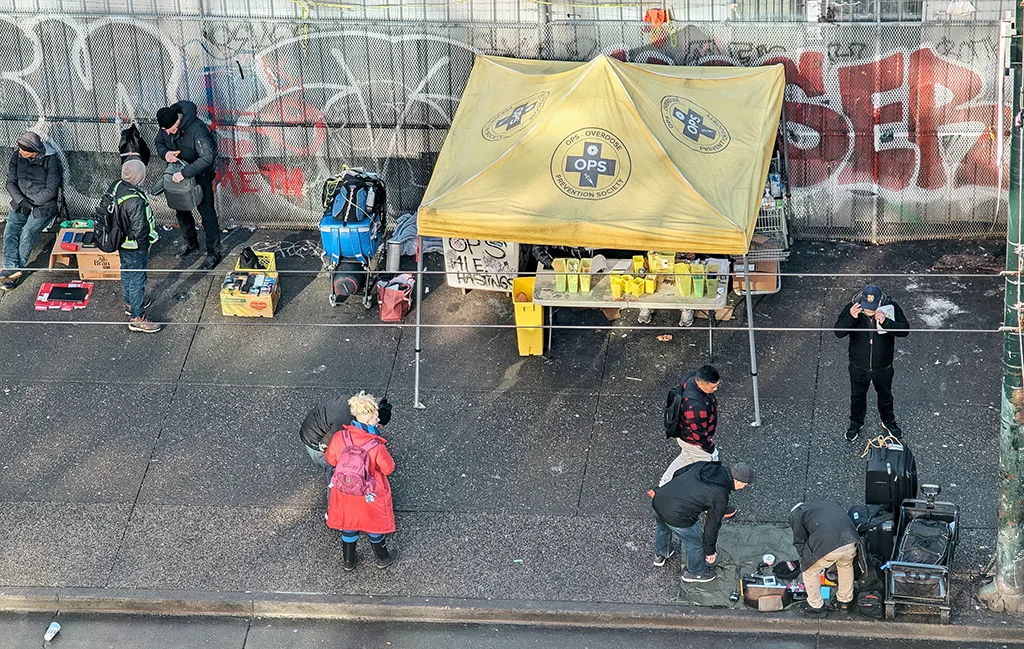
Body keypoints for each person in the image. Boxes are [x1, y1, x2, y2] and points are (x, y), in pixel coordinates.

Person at [325, 391, 397, 571]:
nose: (378, 416)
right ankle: (382, 558)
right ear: (371, 416)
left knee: (349, 524)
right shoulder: (375, 445)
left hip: (345, 490)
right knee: (373, 524)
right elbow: (388, 468)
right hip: (369, 493)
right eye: (375, 414)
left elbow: (331, 459)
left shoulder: (339, 437)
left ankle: (349, 561)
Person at [651, 461, 754, 581]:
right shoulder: (720, 495)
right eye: (745, 485)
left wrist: (678, 492)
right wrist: (710, 551)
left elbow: (678, 472)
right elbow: (712, 525)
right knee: (696, 542)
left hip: (659, 498)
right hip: (676, 515)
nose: (744, 488)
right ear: (738, 481)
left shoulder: (706, 466)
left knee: (663, 527)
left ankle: (661, 554)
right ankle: (696, 573)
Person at [834, 284, 910, 441]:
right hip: (858, 366)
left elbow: (905, 330)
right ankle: (856, 423)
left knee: (885, 396)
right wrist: (851, 317)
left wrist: (887, 322)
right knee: (857, 397)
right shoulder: (852, 308)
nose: (869, 311)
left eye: (872, 308)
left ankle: (888, 422)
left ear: (880, 303)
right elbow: (838, 332)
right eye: (866, 307)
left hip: (883, 366)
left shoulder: (892, 308)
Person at [155, 101, 221, 270]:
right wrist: (166, 154)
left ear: (177, 122)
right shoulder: (166, 126)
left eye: (169, 130)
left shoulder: (197, 129)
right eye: (165, 131)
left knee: (207, 215)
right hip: (178, 178)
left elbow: (207, 157)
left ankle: (214, 252)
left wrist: (184, 173)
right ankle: (191, 242)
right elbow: (159, 143)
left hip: (199, 177)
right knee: (181, 212)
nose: (167, 133)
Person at [1, 131, 62, 290]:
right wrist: (21, 201)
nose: (20, 152)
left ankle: (12, 272)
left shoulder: (50, 160)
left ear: (34, 150)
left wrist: (31, 203)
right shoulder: (17, 156)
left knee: (28, 233)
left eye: (24, 150)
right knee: (10, 232)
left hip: (43, 206)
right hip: (20, 201)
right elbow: (10, 183)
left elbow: (51, 190)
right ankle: (10, 270)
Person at [789, 501, 863, 617]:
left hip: (830, 544)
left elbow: (800, 541)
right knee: (845, 566)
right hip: (851, 541)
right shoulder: (829, 504)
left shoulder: (796, 514)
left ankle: (816, 606)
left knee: (809, 572)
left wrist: (805, 560)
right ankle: (845, 603)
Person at [116, 160, 161, 333]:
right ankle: (137, 317)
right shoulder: (134, 200)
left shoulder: (119, 186)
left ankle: (130, 303)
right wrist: (146, 244)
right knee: (137, 279)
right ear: (139, 176)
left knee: (127, 272)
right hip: (134, 245)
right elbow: (139, 228)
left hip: (121, 241)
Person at [301, 394, 392, 479]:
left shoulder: (359, 404)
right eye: (376, 422)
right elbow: (330, 450)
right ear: (369, 418)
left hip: (319, 422)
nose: (377, 423)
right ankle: (337, 482)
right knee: (333, 470)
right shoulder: (342, 425)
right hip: (314, 438)